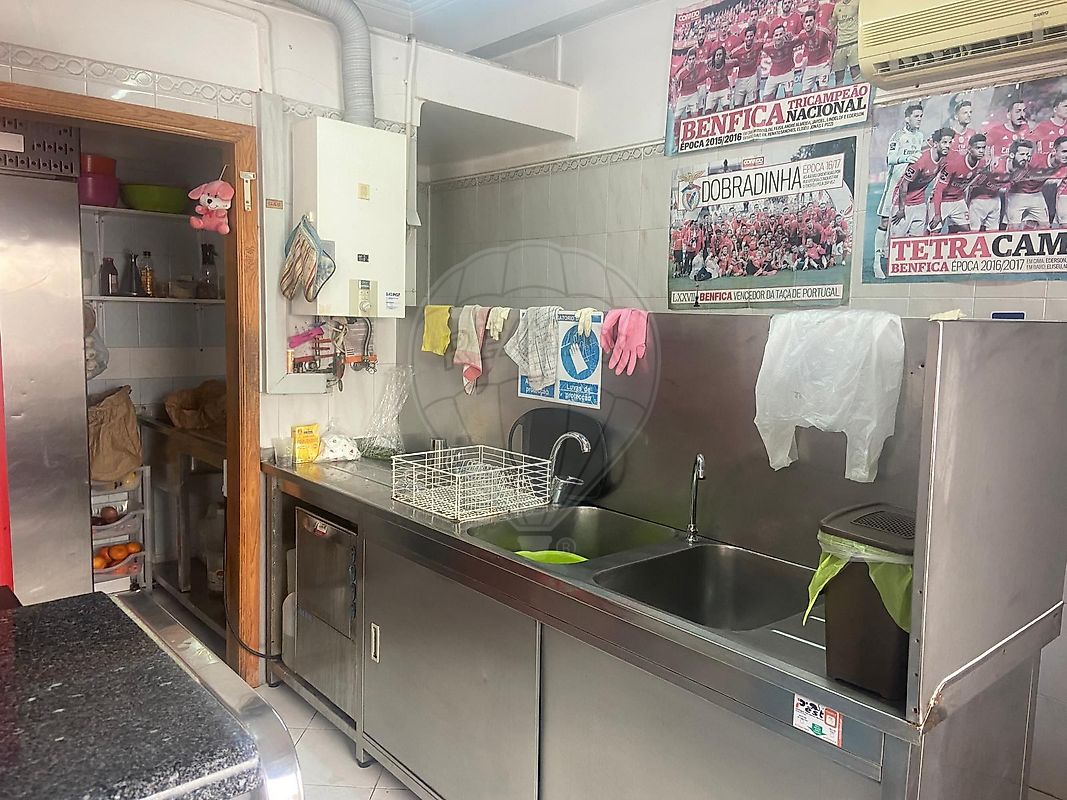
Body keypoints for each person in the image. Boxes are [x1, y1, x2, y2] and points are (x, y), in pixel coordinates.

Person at [873, 103, 926, 277]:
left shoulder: (920, 136)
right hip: (893, 185)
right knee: (885, 222)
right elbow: (890, 158)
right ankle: (877, 263)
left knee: (904, 224)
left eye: (921, 116)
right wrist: (907, 157)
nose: (919, 119)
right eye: (916, 116)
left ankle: (902, 261)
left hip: (909, 187)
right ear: (907, 118)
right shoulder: (898, 136)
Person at [892, 128, 956, 236]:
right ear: (935, 144)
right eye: (944, 142)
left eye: (950, 142)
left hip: (920, 203)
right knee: (896, 240)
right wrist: (901, 209)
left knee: (917, 240)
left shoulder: (944, 159)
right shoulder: (921, 160)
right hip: (903, 203)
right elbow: (904, 184)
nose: (948, 146)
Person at [930, 133, 987, 234]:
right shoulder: (954, 164)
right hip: (942, 199)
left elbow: (970, 186)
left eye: (983, 148)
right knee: (934, 232)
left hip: (958, 200)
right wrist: (937, 214)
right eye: (978, 148)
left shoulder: (982, 165)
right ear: (969, 148)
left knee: (967, 231)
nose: (981, 151)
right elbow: (938, 189)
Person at [1001, 140, 1048, 229]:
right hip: (1016, 195)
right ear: (1012, 155)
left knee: (1045, 226)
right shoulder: (1001, 165)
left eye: (1028, 155)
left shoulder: (1035, 163)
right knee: (1014, 226)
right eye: (1022, 154)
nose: (1025, 158)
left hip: (1036, 195)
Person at [796, 8, 835, 93]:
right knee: (805, 93)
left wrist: (831, 58)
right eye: (806, 22)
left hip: (823, 63)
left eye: (810, 21)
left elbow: (835, 40)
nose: (808, 24)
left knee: (823, 90)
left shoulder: (823, 32)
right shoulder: (802, 35)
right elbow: (793, 43)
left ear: (815, 22)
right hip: (810, 66)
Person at [762, 24, 800, 101]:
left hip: (788, 72)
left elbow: (802, 38)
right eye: (776, 35)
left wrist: (793, 36)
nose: (778, 37)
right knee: (766, 99)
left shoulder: (790, 43)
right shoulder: (767, 48)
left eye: (780, 34)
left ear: (784, 34)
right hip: (774, 75)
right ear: (773, 37)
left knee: (789, 96)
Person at [730, 25, 764, 107]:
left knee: (752, 102)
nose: (749, 38)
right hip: (741, 79)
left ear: (754, 36)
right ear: (744, 38)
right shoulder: (738, 50)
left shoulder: (758, 44)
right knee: (737, 104)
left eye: (751, 36)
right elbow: (728, 57)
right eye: (747, 37)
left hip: (753, 77)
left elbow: (768, 42)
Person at [671, 49, 707, 122]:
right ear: (687, 60)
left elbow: (707, 61)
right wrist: (674, 101)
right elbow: (674, 85)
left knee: (695, 116)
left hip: (694, 94)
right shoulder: (682, 72)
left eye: (693, 59)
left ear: (695, 59)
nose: (692, 61)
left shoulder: (698, 65)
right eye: (690, 59)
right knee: (676, 118)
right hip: (683, 96)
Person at [830, 0, 859, 86]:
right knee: (838, 75)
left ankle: (858, 90)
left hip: (854, 42)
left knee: (855, 71)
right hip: (840, 45)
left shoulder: (857, 2)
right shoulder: (837, 6)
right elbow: (832, 24)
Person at [704, 46, 738, 114]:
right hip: (713, 91)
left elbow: (737, 61)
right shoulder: (710, 68)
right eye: (717, 55)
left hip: (725, 89)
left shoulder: (728, 63)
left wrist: (729, 57)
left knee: (726, 109)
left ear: (723, 56)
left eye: (720, 55)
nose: (718, 57)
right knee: (708, 112)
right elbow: (701, 76)